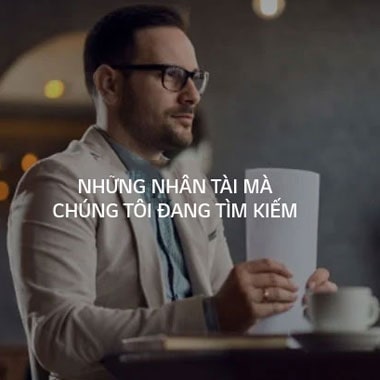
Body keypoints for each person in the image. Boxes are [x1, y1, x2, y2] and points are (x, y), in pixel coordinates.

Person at [7, 5, 336, 380]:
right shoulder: (57, 182)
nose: (193, 95)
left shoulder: (192, 188)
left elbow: (230, 324)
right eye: (173, 75)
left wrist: (295, 310)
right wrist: (211, 315)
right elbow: (57, 335)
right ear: (109, 84)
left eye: (195, 77)